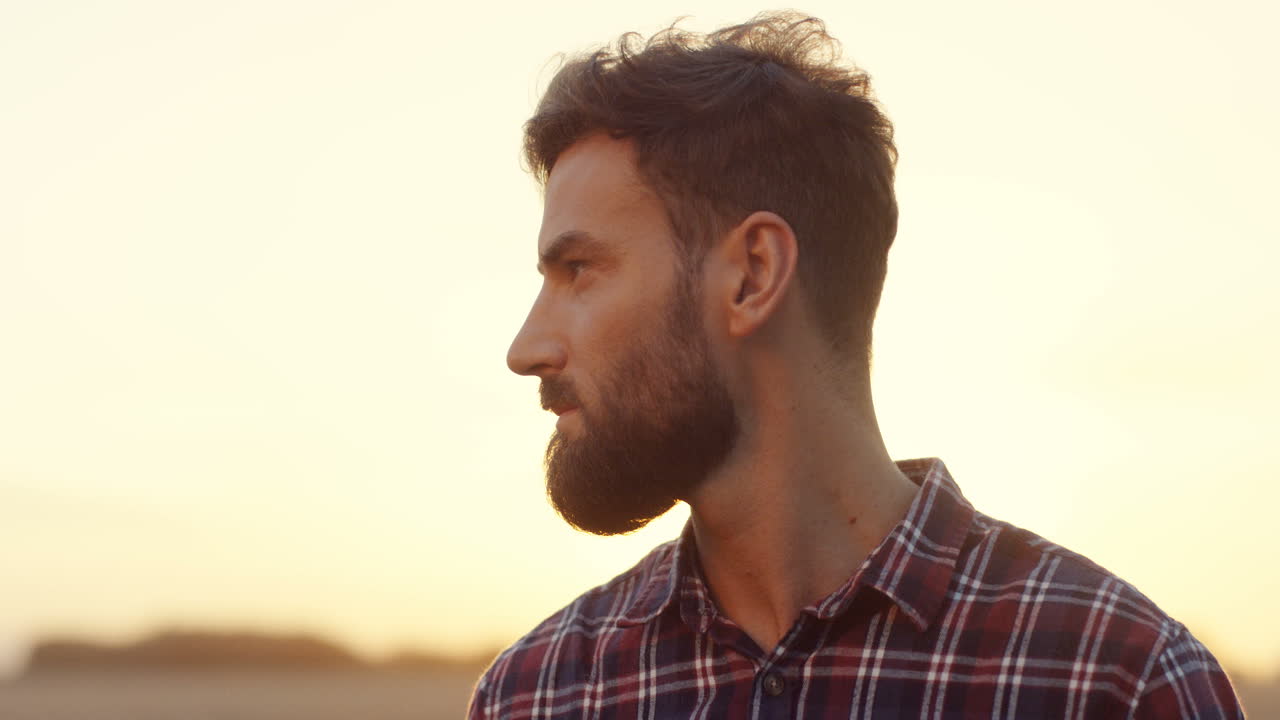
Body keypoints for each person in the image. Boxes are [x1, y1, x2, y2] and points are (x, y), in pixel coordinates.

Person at [470, 12, 1243, 719]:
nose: (525, 347)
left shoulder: (1114, 680)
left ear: (752, 275)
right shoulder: (538, 695)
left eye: (578, 270)